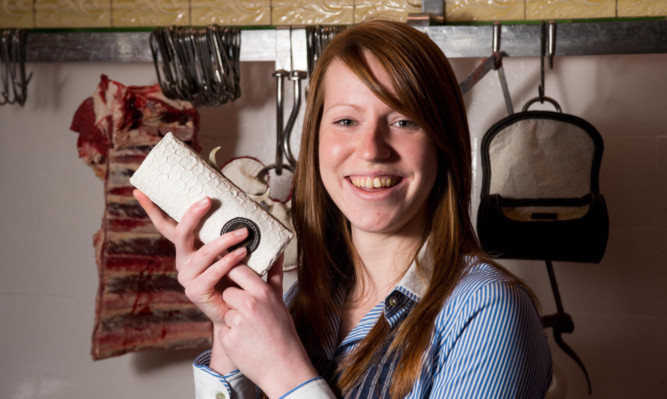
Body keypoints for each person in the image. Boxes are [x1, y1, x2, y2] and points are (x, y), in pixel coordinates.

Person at [135, 19, 552, 399]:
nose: (371, 150)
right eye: (347, 121)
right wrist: (229, 328)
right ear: (316, 142)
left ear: (443, 144)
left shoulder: (488, 309)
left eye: (404, 121)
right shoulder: (298, 303)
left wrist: (285, 373)